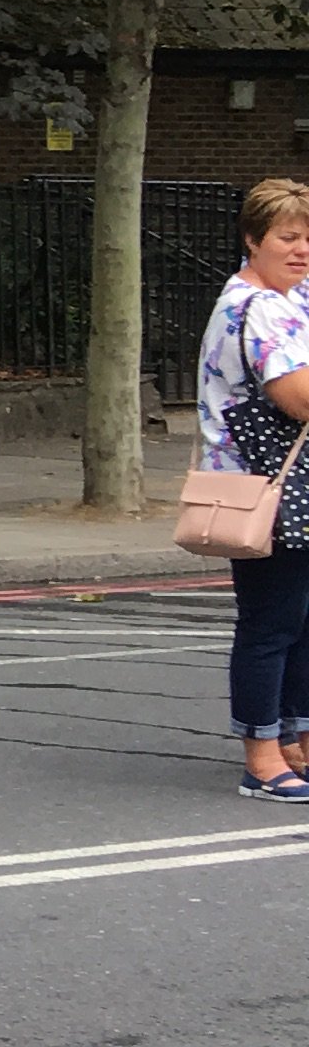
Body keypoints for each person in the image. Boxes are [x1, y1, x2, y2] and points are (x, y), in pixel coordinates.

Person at [193, 178, 309, 798]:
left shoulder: (292, 296)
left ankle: (298, 740)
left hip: (297, 485)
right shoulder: (253, 307)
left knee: (304, 619)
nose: (302, 249)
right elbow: (297, 397)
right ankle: (262, 755)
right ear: (252, 240)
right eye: (288, 237)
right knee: (271, 622)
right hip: (264, 489)